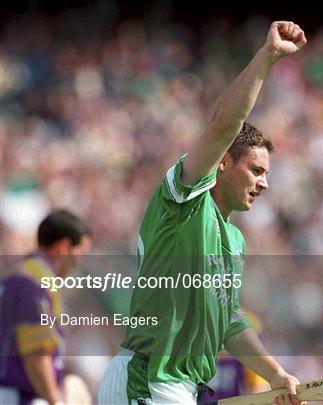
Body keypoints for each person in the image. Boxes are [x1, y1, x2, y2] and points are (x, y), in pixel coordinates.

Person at [98, 21, 307, 405]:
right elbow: (221, 127)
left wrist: (275, 374)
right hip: (149, 379)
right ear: (223, 163)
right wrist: (267, 58)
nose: (264, 184)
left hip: (177, 387)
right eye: (256, 170)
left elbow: (228, 320)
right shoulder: (183, 201)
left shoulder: (235, 239)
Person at [0, 209, 92, 405]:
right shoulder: (33, 284)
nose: (77, 264)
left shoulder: (22, 276)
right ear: (63, 246)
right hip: (18, 397)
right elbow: (36, 353)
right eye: (79, 254)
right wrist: (55, 400)